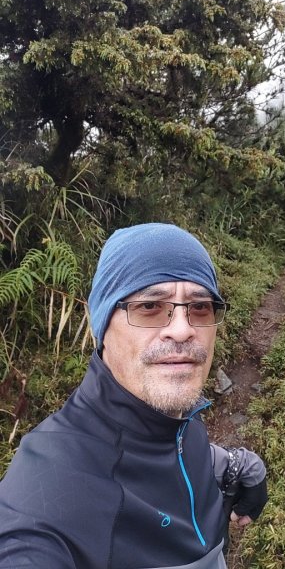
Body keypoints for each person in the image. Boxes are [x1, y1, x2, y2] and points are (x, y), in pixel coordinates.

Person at [0, 223, 268, 569]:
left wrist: (236, 465)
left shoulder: (168, 409)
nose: (183, 329)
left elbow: (167, 450)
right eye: (149, 306)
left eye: (200, 307)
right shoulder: (44, 497)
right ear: (103, 327)